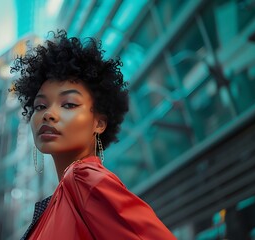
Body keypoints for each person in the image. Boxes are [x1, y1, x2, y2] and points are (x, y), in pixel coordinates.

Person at [11, 30, 176, 240]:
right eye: (40, 105)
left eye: (69, 104)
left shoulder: (83, 178)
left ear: (99, 123)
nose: (48, 114)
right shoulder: (57, 201)